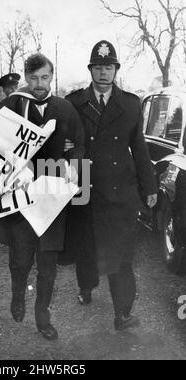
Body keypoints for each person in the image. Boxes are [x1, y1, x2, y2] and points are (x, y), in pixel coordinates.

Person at [0, 53, 85, 340]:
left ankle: (43, 318)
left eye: (44, 78)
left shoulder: (65, 108)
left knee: (48, 268)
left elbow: (79, 145)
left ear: (51, 77)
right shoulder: (10, 106)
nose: (39, 84)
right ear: (26, 77)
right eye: (33, 78)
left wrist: (73, 163)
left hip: (52, 201)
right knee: (20, 261)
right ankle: (18, 293)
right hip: (20, 199)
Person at [66, 40, 158, 330]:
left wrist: (151, 187)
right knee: (86, 247)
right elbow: (64, 146)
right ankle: (85, 287)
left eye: (109, 67)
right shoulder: (74, 103)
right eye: (98, 67)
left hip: (121, 191)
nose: (103, 72)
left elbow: (139, 148)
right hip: (85, 188)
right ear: (90, 70)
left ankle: (123, 313)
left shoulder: (130, 104)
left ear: (115, 70)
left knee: (122, 255)